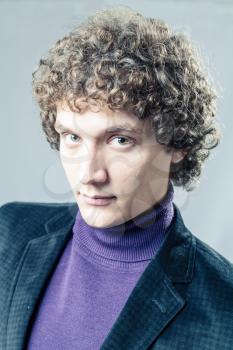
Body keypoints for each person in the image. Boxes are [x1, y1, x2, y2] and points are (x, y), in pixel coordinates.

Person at [0, 5, 233, 350]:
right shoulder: (8, 233)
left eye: (119, 140)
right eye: (73, 137)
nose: (90, 174)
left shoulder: (224, 312)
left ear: (177, 143)